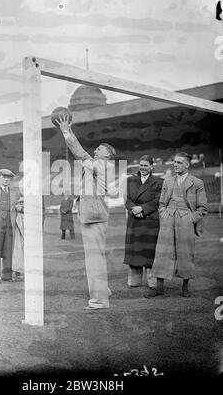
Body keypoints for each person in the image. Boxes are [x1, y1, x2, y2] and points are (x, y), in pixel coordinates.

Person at [56, 113, 116, 310]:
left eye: (99, 149)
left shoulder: (102, 164)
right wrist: (68, 129)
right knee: (96, 254)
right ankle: (103, 291)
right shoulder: (99, 165)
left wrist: (65, 130)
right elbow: (82, 153)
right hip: (95, 213)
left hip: (94, 214)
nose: (95, 149)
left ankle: (99, 300)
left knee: (94, 258)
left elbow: (79, 152)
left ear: (106, 155)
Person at [145, 152, 208, 298]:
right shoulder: (168, 181)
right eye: (174, 162)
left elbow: (203, 208)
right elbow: (161, 203)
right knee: (162, 252)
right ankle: (159, 287)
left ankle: (185, 287)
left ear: (187, 164)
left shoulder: (197, 182)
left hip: (185, 220)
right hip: (168, 219)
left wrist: (190, 219)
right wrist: (164, 214)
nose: (175, 165)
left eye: (179, 162)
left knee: (185, 253)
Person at [124, 155, 163, 289]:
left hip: (150, 220)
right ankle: (134, 281)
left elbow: (158, 201)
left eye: (146, 165)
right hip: (134, 220)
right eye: (141, 165)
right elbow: (127, 200)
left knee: (149, 253)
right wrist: (134, 208)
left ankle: (152, 282)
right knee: (134, 252)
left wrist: (142, 209)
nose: (142, 167)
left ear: (152, 166)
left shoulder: (159, 181)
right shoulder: (130, 180)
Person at [0, 168, 20, 282]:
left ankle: (7, 276)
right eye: (3, 177)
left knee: (8, 251)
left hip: (10, 225)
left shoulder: (15, 192)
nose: (6, 179)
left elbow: (19, 205)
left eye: (8, 178)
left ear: (10, 179)